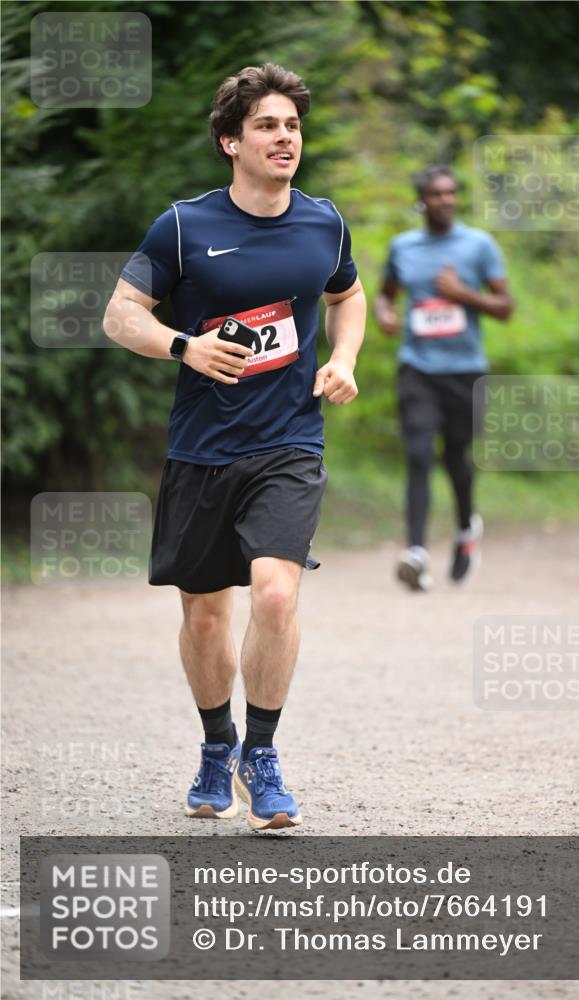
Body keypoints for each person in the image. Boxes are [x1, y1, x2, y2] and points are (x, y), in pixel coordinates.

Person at [103, 63, 366, 830]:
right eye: (267, 126)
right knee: (206, 615)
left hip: (288, 442)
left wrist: (343, 360)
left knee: (278, 592)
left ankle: (263, 754)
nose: (285, 137)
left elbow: (345, 295)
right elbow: (122, 315)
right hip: (202, 447)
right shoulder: (183, 226)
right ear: (230, 142)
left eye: (291, 125)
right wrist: (183, 345)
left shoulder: (324, 222)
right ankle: (216, 746)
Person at [374, 165, 512, 590]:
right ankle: (415, 551)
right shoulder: (404, 247)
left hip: (466, 370)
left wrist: (462, 294)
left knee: (457, 457)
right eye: (436, 194)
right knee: (418, 453)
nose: (446, 200)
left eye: (451, 193)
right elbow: (385, 293)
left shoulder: (477, 245)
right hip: (418, 366)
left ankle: (466, 530)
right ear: (422, 200)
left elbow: (505, 307)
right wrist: (384, 313)